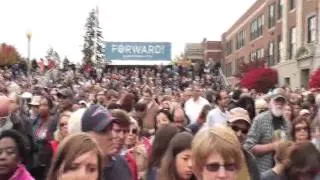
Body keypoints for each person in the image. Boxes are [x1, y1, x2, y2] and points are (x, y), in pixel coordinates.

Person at [244, 89, 292, 173]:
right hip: (263, 172)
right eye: (277, 101)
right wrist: (273, 146)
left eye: (282, 101)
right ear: (270, 102)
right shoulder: (260, 120)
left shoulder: (287, 123)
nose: (279, 104)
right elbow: (249, 147)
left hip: (282, 173)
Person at [80, 105, 132, 180]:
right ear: (86, 135)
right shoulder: (78, 171)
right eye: (104, 131)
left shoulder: (121, 163)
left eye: (111, 129)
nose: (112, 136)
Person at [227, 107, 260, 180]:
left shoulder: (250, 160)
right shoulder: (213, 154)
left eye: (244, 131)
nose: (239, 134)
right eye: (235, 128)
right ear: (227, 126)